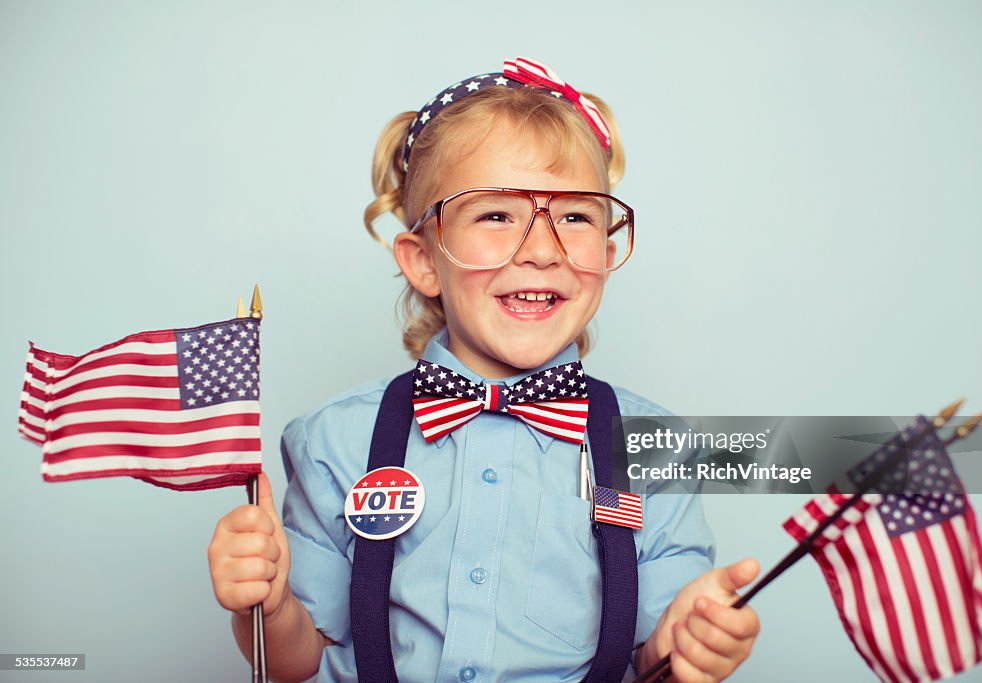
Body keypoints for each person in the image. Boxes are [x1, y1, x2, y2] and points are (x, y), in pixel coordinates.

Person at [208, 56, 760, 683]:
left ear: (605, 255)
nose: (544, 249)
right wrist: (269, 605)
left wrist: (688, 640)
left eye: (576, 216)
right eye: (496, 215)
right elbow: (295, 659)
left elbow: (657, 657)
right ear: (422, 261)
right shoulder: (334, 441)